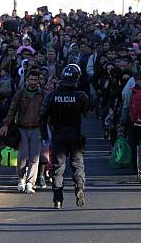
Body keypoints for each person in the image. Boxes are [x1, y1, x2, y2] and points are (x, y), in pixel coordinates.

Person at [40, 64, 89, 209]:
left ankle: (58, 198)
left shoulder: (52, 96)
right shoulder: (80, 96)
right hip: (75, 134)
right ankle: (79, 187)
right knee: (78, 165)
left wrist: (44, 136)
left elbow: (42, 116)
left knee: (58, 167)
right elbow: (86, 110)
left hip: (58, 135)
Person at [0, 70, 45, 194]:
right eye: (31, 79)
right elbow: (12, 109)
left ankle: (30, 183)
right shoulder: (20, 94)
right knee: (22, 157)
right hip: (21, 128)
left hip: (37, 129)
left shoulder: (43, 94)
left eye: (35, 80)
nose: (33, 82)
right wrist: (6, 125)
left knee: (35, 157)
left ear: (38, 81)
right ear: (27, 80)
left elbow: (47, 112)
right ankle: (21, 179)